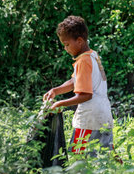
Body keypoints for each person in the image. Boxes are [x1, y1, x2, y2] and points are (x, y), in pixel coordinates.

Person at [43, 15, 114, 155]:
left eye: (67, 44)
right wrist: (56, 90)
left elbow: (86, 95)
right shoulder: (93, 56)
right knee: (106, 158)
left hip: (88, 120)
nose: (65, 48)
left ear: (79, 41)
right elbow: (75, 81)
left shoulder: (83, 61)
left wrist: (59, 104)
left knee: (78, 160)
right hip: (104, 115)